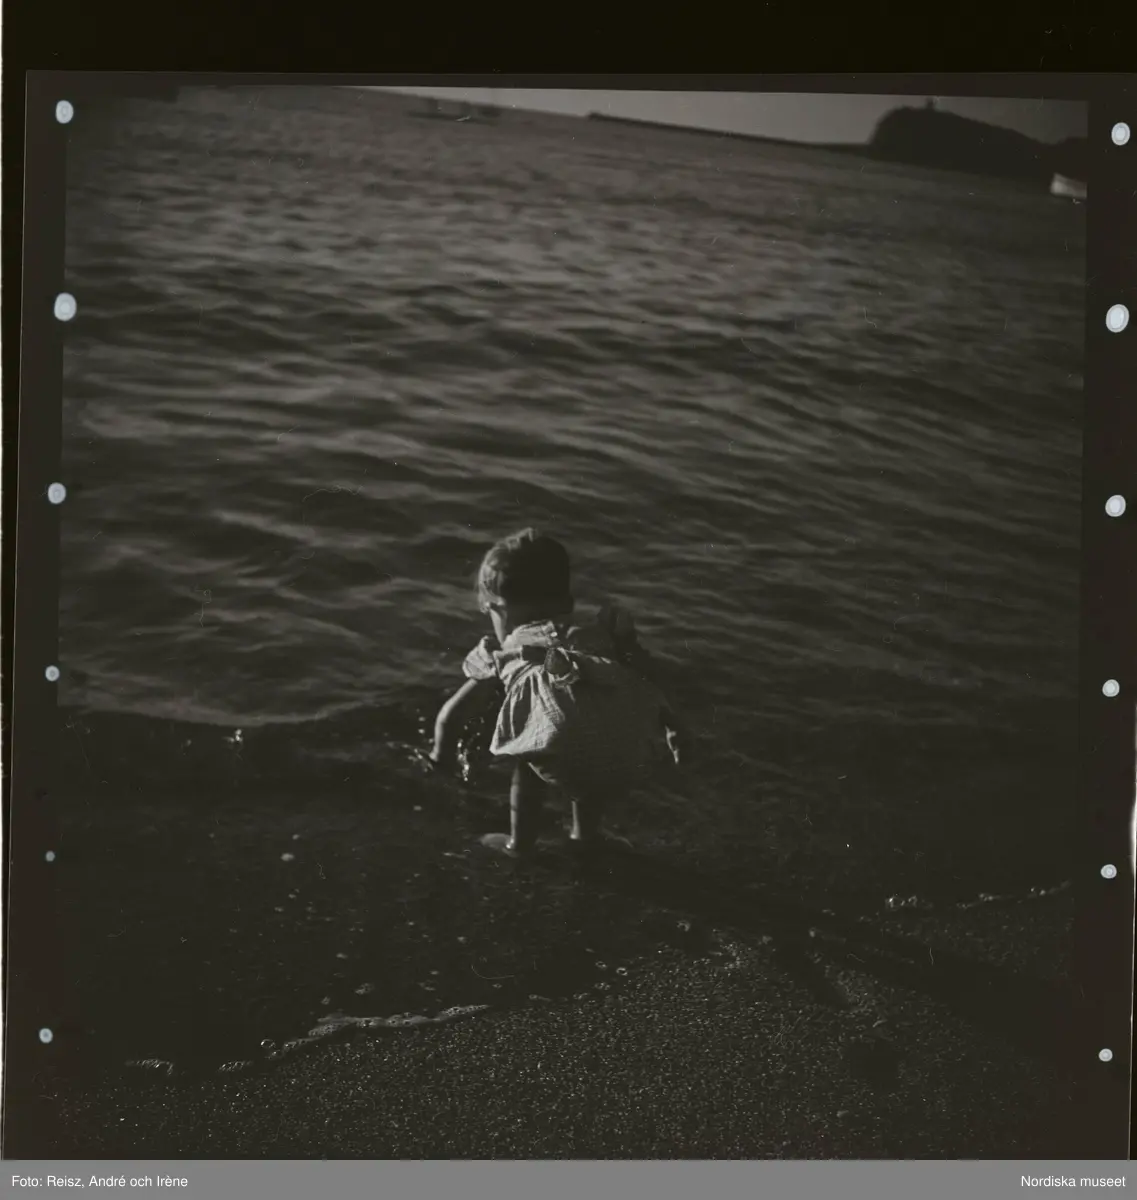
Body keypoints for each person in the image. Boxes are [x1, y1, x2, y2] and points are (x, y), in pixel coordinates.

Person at [428, 528, 687, 856]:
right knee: (591, 722)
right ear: (567, 601)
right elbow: (647, 678)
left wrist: (440, 759)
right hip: (626, 751)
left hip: (564, 751)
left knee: (533, 748)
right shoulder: (594, 637)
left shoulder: (510, 649)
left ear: (501, 609)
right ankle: (585, 836)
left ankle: (519, 845)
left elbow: (451, 717)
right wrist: (674, 727)